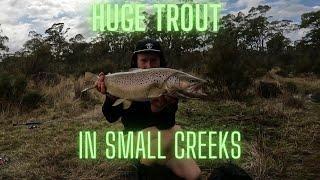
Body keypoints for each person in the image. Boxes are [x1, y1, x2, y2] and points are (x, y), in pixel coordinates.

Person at [95, 38, 201, 180]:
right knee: (174, 132)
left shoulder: (171, 90)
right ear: (136, 62)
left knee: (194, 174)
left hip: (162, 141)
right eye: (144, 60)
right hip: (134, 140)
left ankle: (150, 163)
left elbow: (166, 124)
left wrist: (158, 109)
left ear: (160, 62)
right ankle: (142, 167)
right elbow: (110, 117)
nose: (148, 65)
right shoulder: (124, 82)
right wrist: (111, 97)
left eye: (153, 60)